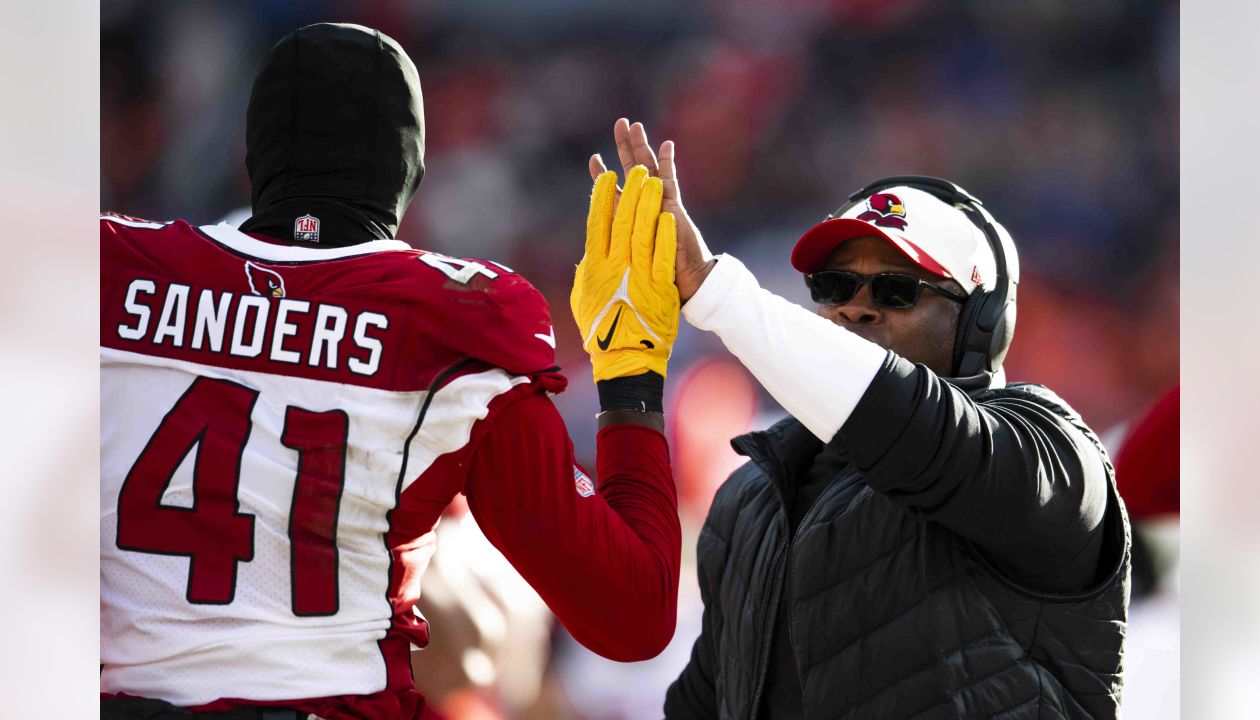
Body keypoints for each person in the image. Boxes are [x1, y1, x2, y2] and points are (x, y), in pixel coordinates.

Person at [100, 25, 682, 720]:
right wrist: (629, 372)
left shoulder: (102, 268)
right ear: (407, 166)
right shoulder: (459, 316)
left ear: (251, 153)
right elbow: (632, 614)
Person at [586, 119, 1130, 719]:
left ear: (980, 322)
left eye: (896, 290)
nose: (855, 307)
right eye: (835, 283)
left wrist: (716, 293)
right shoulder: (751, 496)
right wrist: (627, 379)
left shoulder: (1052, 451)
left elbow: (912, 425)